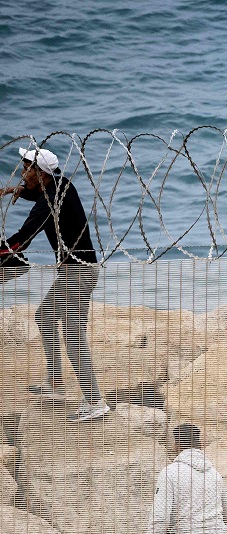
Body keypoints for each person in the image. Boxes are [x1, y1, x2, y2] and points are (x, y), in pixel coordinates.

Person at [1, 147, 107, 422]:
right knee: (45, 316)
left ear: (40, 173)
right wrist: (15, 190)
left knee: (74, 338)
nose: (23, 172)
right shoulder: (61, 185)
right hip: (75, 271)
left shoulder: (50, 199)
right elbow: (37, 193)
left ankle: (95, 401)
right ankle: (56, 382)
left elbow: (23, 237)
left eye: (27, 168)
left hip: (79, 273)